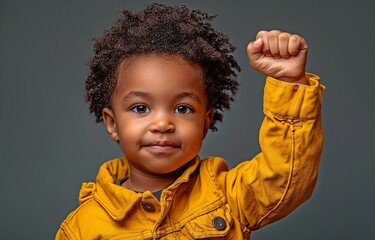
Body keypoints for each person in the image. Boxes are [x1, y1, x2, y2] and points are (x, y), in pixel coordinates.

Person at [56, 3, 324, 240]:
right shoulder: (82, 228)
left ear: (205, 122)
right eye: (141, 108)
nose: (162, 123)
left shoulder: (227, 195)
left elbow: (284, 179)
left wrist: (289, 83)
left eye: (182, 109)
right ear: (112, 123)